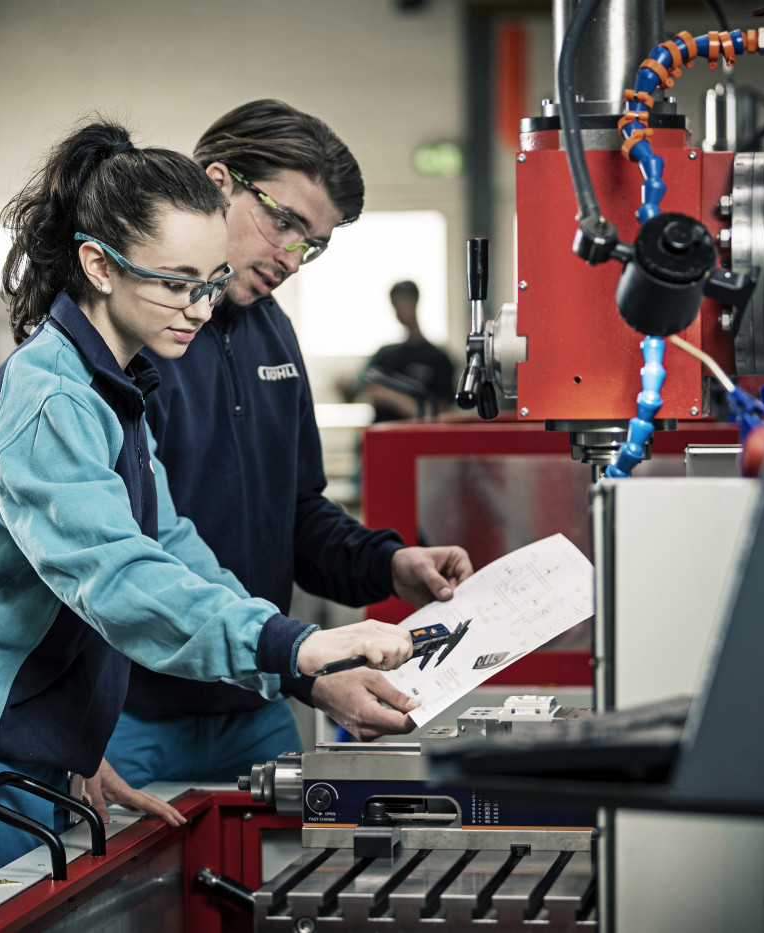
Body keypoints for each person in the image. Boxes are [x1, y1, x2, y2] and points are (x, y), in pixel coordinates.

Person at [0, 121, 414, 931]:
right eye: (176, 282)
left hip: (20, 756)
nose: (200, 307)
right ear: (99, 265)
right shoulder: (51, 401)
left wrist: (288, 662)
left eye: (211, 282)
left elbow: (172, 551)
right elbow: (117, 580)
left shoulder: (115, 391)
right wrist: (293, 644)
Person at [93, 101, 474, 804]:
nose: (293, 257)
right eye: (285, 222)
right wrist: (305, 667)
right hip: (129, 714)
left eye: (314, 243)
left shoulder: (273, 337)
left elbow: (294, 510)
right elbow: (126, 555)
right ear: (217, 183)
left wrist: (388, 563)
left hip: (255, 705)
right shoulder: (129, 340)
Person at [341, 280, 457, 421]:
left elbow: (439, 413)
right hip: (380, 437)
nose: (399, 309)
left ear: (415, 301)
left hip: (415, 439)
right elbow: (352, 394)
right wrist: (343, 387)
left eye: (403, 301)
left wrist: (388, 395)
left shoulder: (439, 358)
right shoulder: (384, 354)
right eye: (395, 304)